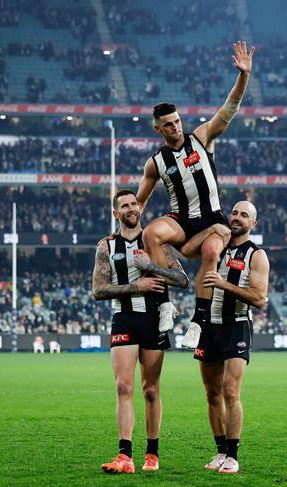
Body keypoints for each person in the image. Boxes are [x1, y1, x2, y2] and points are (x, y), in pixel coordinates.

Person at [137, 40, 255, 349]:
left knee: (212, 254)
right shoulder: (155, 163)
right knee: (150, 233)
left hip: (213, 219)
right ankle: (165, 303)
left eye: (176, 121)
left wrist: (243, 75)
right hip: (182, 221)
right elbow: (139, 202)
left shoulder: (201, 138)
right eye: (168, 125)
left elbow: (230, 107)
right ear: (157, 129)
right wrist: (127, 231)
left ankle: (198, 322)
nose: (175, 127)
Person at [92, 188, 189, 474]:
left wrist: (152, 268)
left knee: (150, 390)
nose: (132, 208)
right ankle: (124, 456)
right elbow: (98, 290)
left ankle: (152, 454)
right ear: (116, 213)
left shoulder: (157, 244)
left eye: (134, 203)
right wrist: (138, 285)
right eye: (125, 205)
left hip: (153, 319)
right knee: (123, 386)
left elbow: (182, 279)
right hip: (124, 318)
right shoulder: (106, 246)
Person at [194, 201, 269, 474]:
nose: (237, 218)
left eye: (244, 215)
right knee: (212, 394)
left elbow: (259, 297)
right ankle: (220, 452)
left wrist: (224, 284)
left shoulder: (256, 255)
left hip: (236, 325)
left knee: (230, 391)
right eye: (235, 213)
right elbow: (187, 248)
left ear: (253, 223)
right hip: (208, 326)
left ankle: (233, 456)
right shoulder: (216, 244)